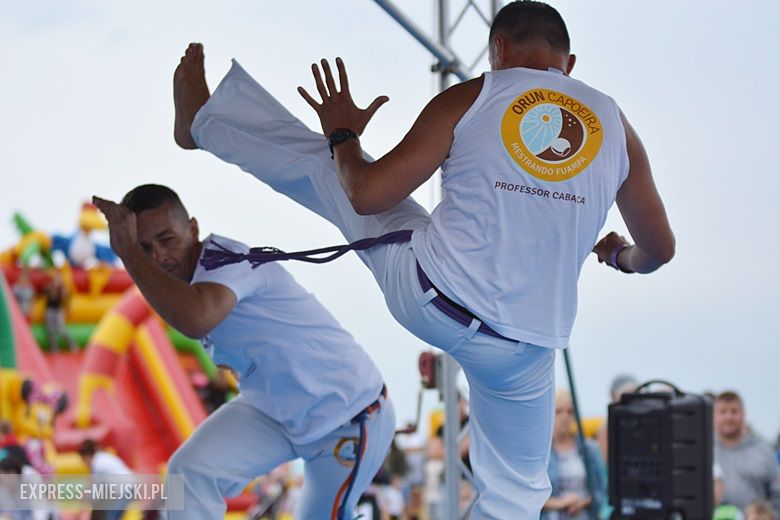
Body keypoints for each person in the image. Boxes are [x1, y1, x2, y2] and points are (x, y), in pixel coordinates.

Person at [171, 1, 675, 516]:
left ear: (496, 49)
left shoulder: (472, 96)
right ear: (569, 66)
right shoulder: (614, 123)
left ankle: (207, 123)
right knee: (516, 497)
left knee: (332, 173)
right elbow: (660, 250)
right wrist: (619, 256)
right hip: (525, 350)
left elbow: (367, 195)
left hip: (435, 296)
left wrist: (343, 136)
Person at [91, 185, 395, 520]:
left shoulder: (227, 261)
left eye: (167, 240)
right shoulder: (184, 282)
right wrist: (133, 252)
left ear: (193, 229)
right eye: (145, 247)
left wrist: (129, 252)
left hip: (347, 416)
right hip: (274, 410)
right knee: (190, 472)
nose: (158, 257)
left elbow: (195, 318)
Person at [714, 391, 780, 517]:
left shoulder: (763, 451)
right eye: (723, 412)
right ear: (714, 416)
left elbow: (777, 496)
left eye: (734, 411)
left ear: (743, 414)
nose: (729, 417)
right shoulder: (704, 452)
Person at [542, 390, 606, 520]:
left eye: (570, 412)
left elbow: (601, 491)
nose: (565, 417)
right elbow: (528, 495)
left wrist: (584, 502)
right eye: (558, 411)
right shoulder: (540, 453)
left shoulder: (589, 449)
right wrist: (560, 503)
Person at [79, 439, 134, 520]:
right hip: (129, 485)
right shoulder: (104, 456)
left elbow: (95, 490)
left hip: (122, 489)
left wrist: (86, 501)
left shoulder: (97, 464)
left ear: (87, 457)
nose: (85, 464)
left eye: (84, 460)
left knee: (111, 516)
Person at [42, 271, 77, 352]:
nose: (57, 280)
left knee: (62, 330)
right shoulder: (50, 287)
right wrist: (51, 288)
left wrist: (67, 309)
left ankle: (72, 344)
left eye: (59, 278)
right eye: (56, 278)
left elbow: (66, 299)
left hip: (57, 310)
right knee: (51, 330)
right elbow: (43, 293)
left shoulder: (62, 288)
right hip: (49, 310)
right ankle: (54, 348)